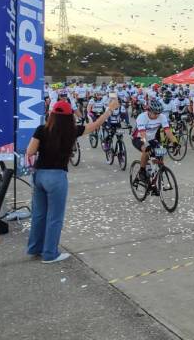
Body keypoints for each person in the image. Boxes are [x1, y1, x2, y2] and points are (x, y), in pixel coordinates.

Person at [25, 97, 119, 263]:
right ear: (70, 117)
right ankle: (50, 254)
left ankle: (34, 247)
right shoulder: (72, 131)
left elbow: (30, 152)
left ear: (52, 114)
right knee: (55, 217)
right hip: (57, 176)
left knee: (39, 214)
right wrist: (109, 109)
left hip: (39, 175)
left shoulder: (41, 129)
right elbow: (95, 125)